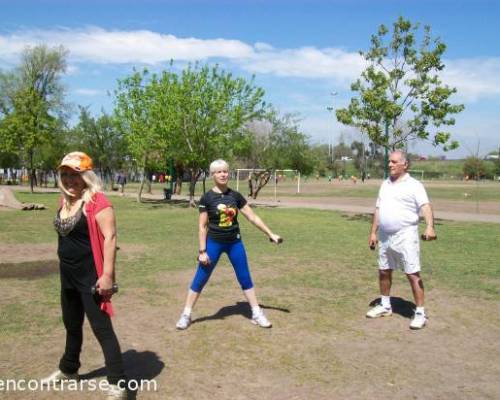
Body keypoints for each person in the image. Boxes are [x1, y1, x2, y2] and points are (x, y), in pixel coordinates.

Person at [42, 152, 127, 399]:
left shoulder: (98, 202)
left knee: (101, 328)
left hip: (91, 276)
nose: (69, 180)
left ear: (86, 176)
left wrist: (107, 276)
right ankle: (69, 370)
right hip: (67, 275)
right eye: (65, 174)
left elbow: (110, 238)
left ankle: (118, 383)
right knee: (71, 324)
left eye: (75, 175)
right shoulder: (65, 201)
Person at [176, 159, 282, 330]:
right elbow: (202, 227)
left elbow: (252, 217)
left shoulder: (235, 196)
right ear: (212, 175)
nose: (223, 174)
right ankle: (186, 314)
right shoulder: (207, 198)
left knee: (245, 277)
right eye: (219, 172)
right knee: (200, 279)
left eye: (225, 171)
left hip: (235, 243)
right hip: (213, 244)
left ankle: (256, 312)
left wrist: (270, 234)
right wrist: (202, 251)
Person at [366, 150, 436, 330]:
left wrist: (430, 226)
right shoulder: (385, 184)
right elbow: (378, 209)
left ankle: (420, 312)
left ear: (405, 164)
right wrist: (373, 232)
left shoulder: (414, 185)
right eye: (389, 161)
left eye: (394, 161)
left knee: (412, 274)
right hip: (385, 236)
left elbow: (425, 206)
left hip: (406, 235)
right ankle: (385, 305)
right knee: (383, 271)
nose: (390, 164)